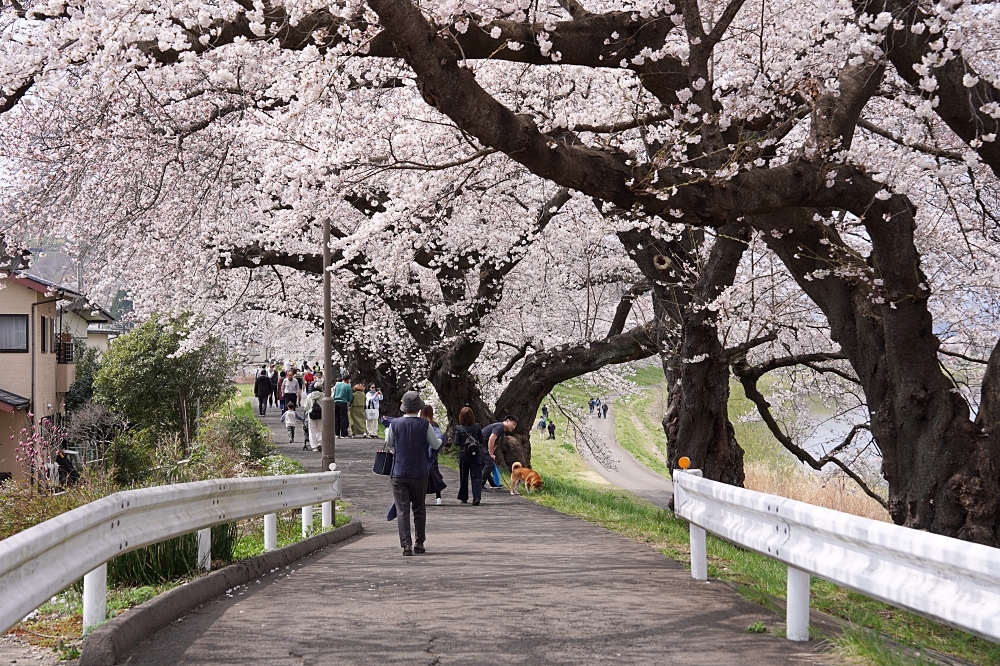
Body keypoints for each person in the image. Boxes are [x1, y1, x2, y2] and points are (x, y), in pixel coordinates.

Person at [385, 391, 442, 556]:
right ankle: (419, 542)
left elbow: (389, 442)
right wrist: (440, 440)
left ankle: (406, 545)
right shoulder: (425, 425)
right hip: (419, 472)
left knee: (402, 510)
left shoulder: (394, 424)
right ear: (418, 408)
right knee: (419, 508)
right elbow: (435, 444)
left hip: (399, 472)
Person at [454, 407, 485, 505]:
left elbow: (456, 442)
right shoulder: (477, 426)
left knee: (464, 476)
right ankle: (477, 497)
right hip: (476, 454)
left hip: (464, 454)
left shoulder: (459, 428)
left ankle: (464, 497)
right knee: (476, 476)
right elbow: (482, 440)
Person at [420, 405, 448, 506]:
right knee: (435, 474)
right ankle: (438, 497)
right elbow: (438, 438)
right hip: (432, 453)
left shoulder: (419, 423)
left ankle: (421, 497)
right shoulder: (434, 424)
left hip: (421, 452)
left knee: (421, 476)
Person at [480, 415, 518, 489]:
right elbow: (491, 439)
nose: (514, 427)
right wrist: (490, 453)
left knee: (488, 464)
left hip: (483, 447)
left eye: (515, 426)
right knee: (489, 464)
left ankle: (493, 483)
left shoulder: (502, 431)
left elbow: (495, 444)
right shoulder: (500, 426)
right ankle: (480, 485)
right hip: (480, 445)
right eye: (513, 424)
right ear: (507, 421)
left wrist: (492, 453)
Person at [303, 380, 324, 451]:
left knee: (312, 430)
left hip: (311, 415)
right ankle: (319, 443)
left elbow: (306, 407)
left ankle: (314, 446)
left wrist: (309, 410)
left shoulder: (309, 395)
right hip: (321, 415)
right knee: (320, 429)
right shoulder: (323, 395)